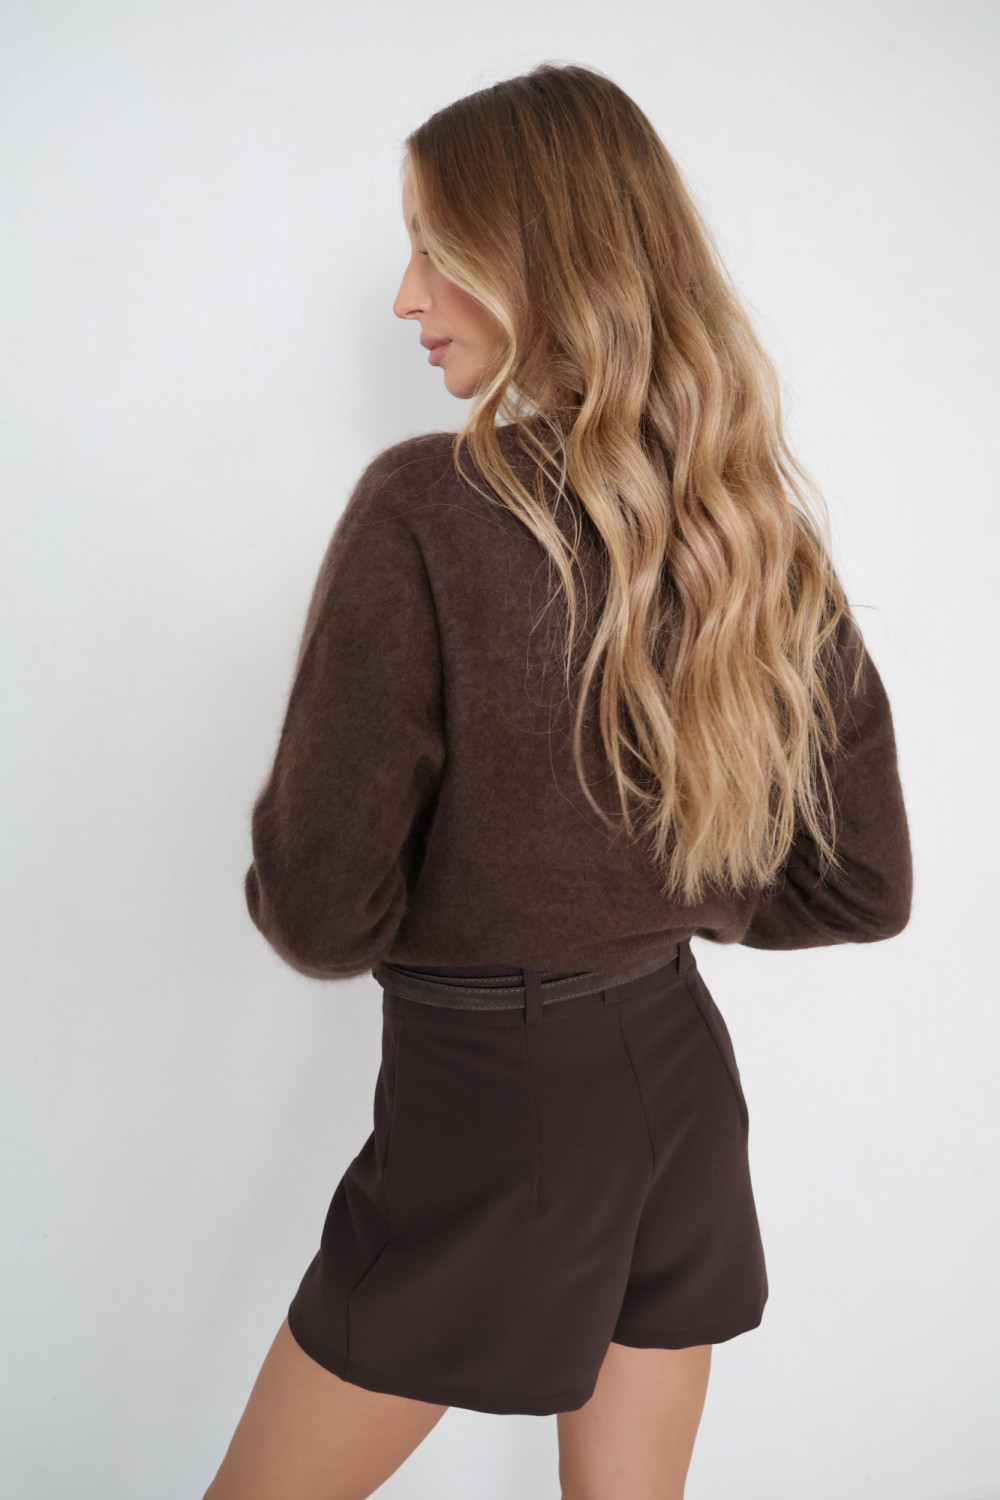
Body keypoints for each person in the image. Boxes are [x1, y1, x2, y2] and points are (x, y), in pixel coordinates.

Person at [202, 61, 912, 1500]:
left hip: (494, 1104)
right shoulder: (746, 521)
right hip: (681, 1081)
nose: (405, 296)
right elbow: (863, 885)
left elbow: (321, 915)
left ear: (534, 259)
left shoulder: (426, 508)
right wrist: (649, 900)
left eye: (434, 247)